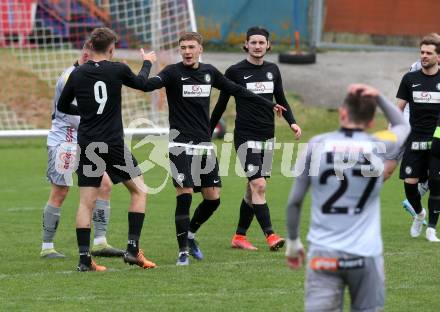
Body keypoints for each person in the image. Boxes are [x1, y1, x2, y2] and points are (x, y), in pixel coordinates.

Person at [140, 31, 286, 265]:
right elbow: (144, 85)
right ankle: (183, 252)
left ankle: (190, 233)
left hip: (204, 146)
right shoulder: (172, 72)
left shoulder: (209, 72)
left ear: (200, 49)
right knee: (185, 195)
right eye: (183, 47)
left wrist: (269, 104)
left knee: (213, 199)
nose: (187, 51)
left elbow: (239, 91)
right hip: (179, 145)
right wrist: (147, 63)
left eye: (191, 47)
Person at [285, 84, 410, 311]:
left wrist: (293, 242)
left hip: (324, 255)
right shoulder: (378, 144)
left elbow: (294, 201)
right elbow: (403, 125)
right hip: (365, 256)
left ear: (342, 112)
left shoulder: (317, 145)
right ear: (372, 122)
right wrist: (379, 96)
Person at [57, 27, 157, 271]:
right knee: (139, 190)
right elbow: (144, 84)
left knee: (86, 202)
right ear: (112, 48)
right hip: (112, 143)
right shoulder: (118, 69)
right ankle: (133, 250)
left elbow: (63, 105)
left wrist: (86, 112)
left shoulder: (77, 73)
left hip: (88, 142)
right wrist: (147, 62)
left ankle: (84, 260)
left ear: (90, 47)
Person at [210, 26, 302, 251]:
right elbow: (222, 104)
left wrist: (292, 122)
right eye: (254, 43)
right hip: (245, 136)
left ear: (268, 46)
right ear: (246, 45)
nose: (258, 46)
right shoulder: (235, 71)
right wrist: (207, 131)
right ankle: (270, 235)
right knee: (258, 185)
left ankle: (239, 237)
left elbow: (281, 99)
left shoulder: (273, 70)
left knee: (253, 190)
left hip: (267, 136)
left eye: (262, 43)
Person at [41, 40, 124, 259]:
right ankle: (47, 246)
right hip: (65, 141)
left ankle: (100, 242)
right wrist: (98, 124)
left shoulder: (89, 74)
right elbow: (68, 113)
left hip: (85, 140)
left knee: (104, 185)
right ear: (85, 55)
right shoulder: (72, 76)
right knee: (60, 191)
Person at [396, 33, 440, 241]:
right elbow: (399, 110)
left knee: (436, 182)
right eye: (422, 52)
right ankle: (419, 214)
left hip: (438, 140)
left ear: (438, 57)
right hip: (415, 139)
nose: (424, 56)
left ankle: (431, 228)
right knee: (410, 184)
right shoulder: (409, 79)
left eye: (429, 53)